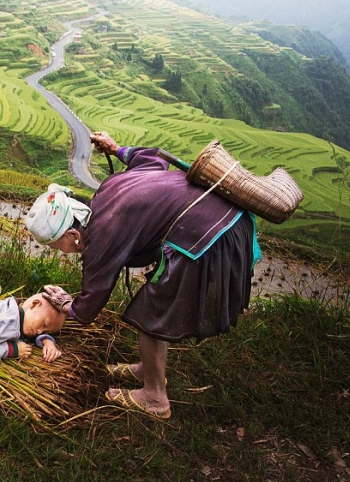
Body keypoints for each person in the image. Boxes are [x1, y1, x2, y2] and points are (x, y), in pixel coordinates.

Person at [24, 131, 259, 419]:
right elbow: (153, 157)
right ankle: (148, 371)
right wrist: (116, 148)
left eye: (56, 245)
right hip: (227, 219)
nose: (61, 252)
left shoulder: (102, 236)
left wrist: (65, 304)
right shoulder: (109, 190)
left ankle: (155, 398)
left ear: (73, 234)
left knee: (150, 313)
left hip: (210, 238)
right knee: (154, 300)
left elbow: (88, 307)